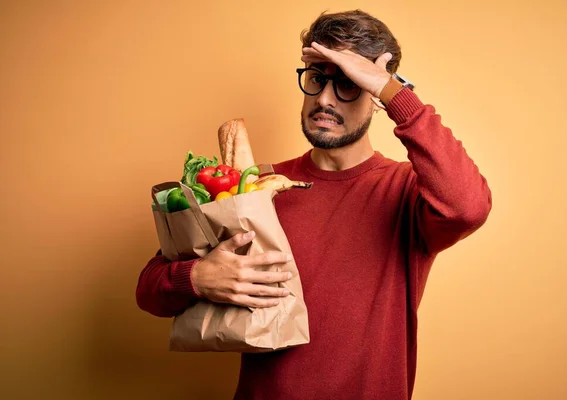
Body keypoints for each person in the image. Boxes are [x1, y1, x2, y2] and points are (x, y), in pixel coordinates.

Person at [136, 9, 492, 400]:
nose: (324, 99)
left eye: (348, 84)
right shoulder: (255, 187)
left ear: (374, 97)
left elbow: (468, 207)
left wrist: (394, 93)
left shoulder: (407, 191)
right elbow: (149, 290)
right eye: (318, 79)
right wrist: (198, 277)